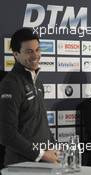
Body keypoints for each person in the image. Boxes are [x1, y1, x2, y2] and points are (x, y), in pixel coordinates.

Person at [0, 28, 58, 166]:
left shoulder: (37, 81)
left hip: (42, 164)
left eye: (37, 50)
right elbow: (6, 134)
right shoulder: (10, 84)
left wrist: (53, 147)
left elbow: (40, 122)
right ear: (16, 54)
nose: (35, 55)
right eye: (29, 51)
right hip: (21, 166)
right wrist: (42, 154)